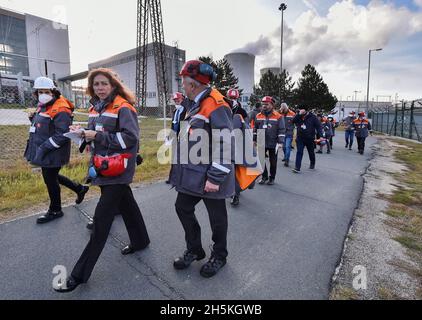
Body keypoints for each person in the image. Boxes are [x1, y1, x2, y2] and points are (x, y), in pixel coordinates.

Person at [54, 68, 150, 293]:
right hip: (102, 167)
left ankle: (79, 275)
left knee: (101, 221)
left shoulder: (124, 108)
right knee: (127, 206)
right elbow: (94, 133)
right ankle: (141, 241)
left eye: (104, 84)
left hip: (119, 168)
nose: (100, 88)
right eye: (96, 84)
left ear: (113, 85)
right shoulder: (94, 108)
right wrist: (82, 135)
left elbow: (130, 139)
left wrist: (96, 136)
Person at [169, 60, 234, 278]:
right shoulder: (194, 103)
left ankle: (220, 255)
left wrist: (215, 178)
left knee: (217, 218)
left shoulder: (216, 104)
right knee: (182, 207)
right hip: (193, 172)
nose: (182, 87)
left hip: (212, 174)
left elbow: (226, 143)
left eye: (184, 83)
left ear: (194, 84)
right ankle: (195, 249)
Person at [24, 77, 89, 224]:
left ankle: (55, 210)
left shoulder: (61, 108)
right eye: (40, 91)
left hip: (53, 150)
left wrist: (43, 147)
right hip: (45, 149)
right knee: (52, 176)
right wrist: (32, 118)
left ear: (54, 92)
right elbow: (44, 125)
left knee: (50, 178)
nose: (43, 94)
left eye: (46, 91)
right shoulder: (43, 104)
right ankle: (79, 189)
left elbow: (63, 134)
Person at [253, 96, 286, 185]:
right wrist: (254, 140)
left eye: (266, 104)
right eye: (263, 104)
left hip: (273, 142)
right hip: (261, 141)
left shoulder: (278, 116)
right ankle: (264, 176)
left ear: (272, 105)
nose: (264, 106)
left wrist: (280, 142)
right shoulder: (258, 116)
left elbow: (282, 130)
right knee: (261, 161)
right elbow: (255, 129)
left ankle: (272, 178)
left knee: (273, 162)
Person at [165, 92, 190, 185]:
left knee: (181, 159)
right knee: (174, 158)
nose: (176, 102)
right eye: (175, 100)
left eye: (178, 100)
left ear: (182, 100)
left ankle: (179, 179)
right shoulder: (176, 111)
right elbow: (174, 125)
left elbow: (185, 124)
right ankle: (172, 178)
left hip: (183, 137)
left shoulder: (186, 110)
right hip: (175, 137)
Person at [292, 107, 323, 173]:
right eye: (300, 110)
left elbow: (319, 126)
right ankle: (297, 167)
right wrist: (299, 114)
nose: (301, 111)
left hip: (310, 138)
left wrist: (321, 136)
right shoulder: (299, 116)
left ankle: (312, 163)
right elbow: (293, 121)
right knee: (299, 152)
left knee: (311, 152)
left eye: (302, 110)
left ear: (306, 111)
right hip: (300, 138)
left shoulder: (313, 117)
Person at [280, 103, 296, 167]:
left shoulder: (292, 114)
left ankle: (287, 160)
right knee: (284, 147)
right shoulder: (280, 113)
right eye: (282, 109)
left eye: (284, 109)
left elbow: (295, 122)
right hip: (282, 133)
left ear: (286, 108)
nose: (283, 110)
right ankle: (285, 156)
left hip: (289, 132)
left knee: (287, 147)